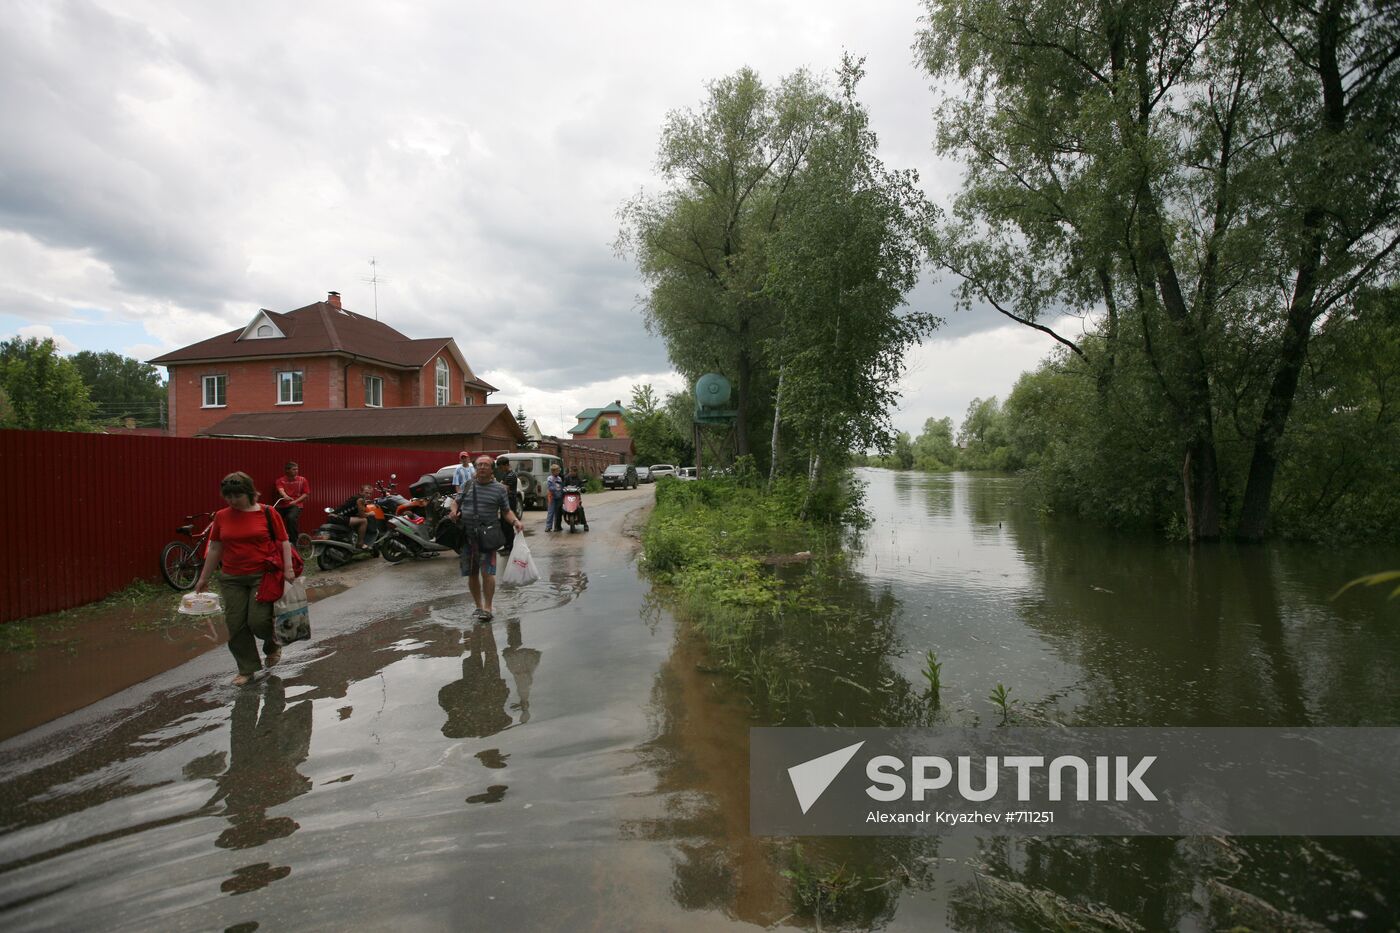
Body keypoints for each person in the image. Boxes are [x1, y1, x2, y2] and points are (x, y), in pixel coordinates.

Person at [194, 471, 295, 686]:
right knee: (236, 625)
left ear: (249, 493)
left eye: (236, 496)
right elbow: (215, 547)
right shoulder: (221, 516)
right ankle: (247, 669)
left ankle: (273, 644)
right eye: (228, 497)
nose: (232, 501)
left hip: (262, 575)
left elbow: (284, 541)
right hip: (232, 578)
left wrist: (288, 570)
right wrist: (204, 577)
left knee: (258, 621)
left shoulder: (267, 512)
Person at [447, 454, 523, 622]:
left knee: (487, 572)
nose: (481, 467)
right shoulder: (467, 485)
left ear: (491, 469)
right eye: (479, 465)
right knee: (472, 573)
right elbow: (455, 502)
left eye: (485, 465)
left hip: (487, 536)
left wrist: (515, 521)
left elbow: (505, 511)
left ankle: (488, 607)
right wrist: (453, 511)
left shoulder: (499, 489)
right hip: (467, 536)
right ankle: (478, 606)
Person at [274, 460, 310, 544]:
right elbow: (280, 489)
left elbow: (306, 493)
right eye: (294, 469)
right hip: (282, 505)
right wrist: (285, 496)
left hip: (296, 505)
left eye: (297, 469)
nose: (296, 471)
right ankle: (277, 539)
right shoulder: (280, 480)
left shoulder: (302, 480)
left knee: (291, 518)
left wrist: (295, 501)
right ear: (287, 470)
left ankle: (294, 542)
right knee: (274, 519)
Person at [496, 456, 519, 553]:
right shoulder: (506, 474)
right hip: (505, 500)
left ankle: (510, 547)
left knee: (508, 525)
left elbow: (505, 488)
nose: (500, 469)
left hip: (510, 500)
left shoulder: (511, 475)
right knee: (503, 525)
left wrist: (496, 483)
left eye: (501, 467)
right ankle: (506, 546)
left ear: (506, 465)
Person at [544, 463, 564, 532]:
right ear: (553, 471)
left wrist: (561, 492)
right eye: (557, 471)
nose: (558, 472)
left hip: (558, 497)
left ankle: (556, 526)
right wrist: (556, 488)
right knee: (551, 512)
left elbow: (561, 487)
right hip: (552, 497)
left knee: (557, 512)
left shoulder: (559, 478)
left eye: (558, 471)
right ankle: (548, 526)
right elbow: (550, 487)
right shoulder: (550, 478)